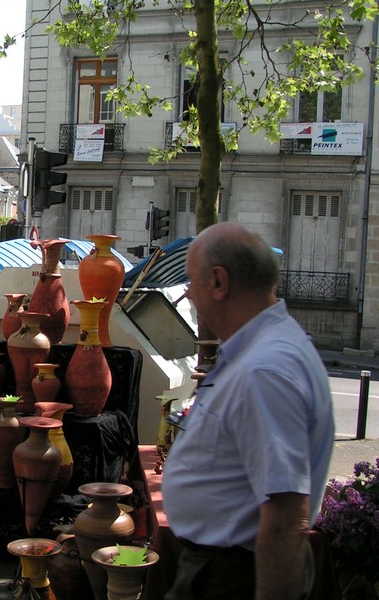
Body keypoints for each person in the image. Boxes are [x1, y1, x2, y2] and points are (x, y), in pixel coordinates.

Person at [162, 222, 334, 600]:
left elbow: (286, 517)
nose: (188, 293)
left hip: (232, 575)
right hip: (223, 567)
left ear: (219, 283)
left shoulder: (265, 370)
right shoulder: (260, 353)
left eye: (191, 280)